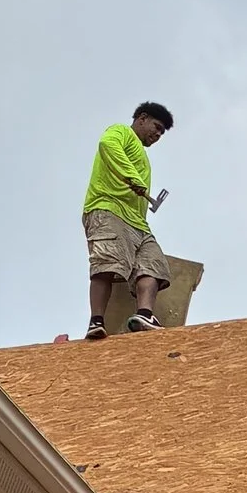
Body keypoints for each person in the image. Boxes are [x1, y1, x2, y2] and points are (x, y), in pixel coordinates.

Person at [82, 101, 175, 338]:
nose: (157, 134)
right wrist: (130, 176)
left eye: (162, 132)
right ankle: (96, 321)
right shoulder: (121, 132)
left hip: (138, 223)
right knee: (108, 264)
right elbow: (107, 144)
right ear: (141, 118)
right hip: (108, 210)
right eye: (156, 127)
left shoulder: (143, 155)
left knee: (153, 264)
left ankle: (144, 314)